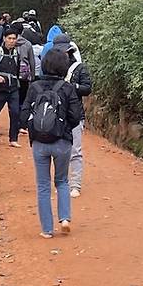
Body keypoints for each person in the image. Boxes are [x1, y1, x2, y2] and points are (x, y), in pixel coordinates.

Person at [20, 49, 82, 238]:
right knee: (62, 181)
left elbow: (23, 115)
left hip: (39, 142)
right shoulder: (67, 88)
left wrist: (34, 127)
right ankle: (64, 218)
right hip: (62, 142)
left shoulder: (34, 86)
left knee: (43, 185)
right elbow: (76, 116)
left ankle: (47, 230)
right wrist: (63, 129)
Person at [62, 40, 92, 198]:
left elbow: (87, 88)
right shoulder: (53, 68)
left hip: (75, 114)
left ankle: (76, 185)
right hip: (58, 115)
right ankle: (62, 183)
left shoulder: (79, 68)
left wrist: (73, 87)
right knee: (60, 150)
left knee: (75, 151)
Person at [12, 21, 36, 108]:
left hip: (12, 72)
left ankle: (14, 113)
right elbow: (31, 61)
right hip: (24, 74)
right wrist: (32, 76)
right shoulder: (28, 44)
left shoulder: (9, 43)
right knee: (23, 95)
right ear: (22, 32)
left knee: (13, 96)